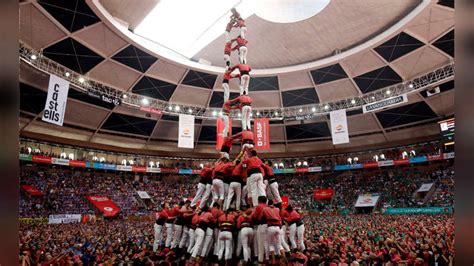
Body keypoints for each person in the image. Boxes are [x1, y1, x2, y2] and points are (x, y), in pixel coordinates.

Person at [251, 196, 268, 264]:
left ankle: (260, 260)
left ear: (259, 200)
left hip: (262, 225)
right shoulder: (267, 206)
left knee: (260, 243)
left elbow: (254, 216)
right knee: (267, 243)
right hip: (269, 225)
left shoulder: (259, 206)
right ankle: (267, 258)